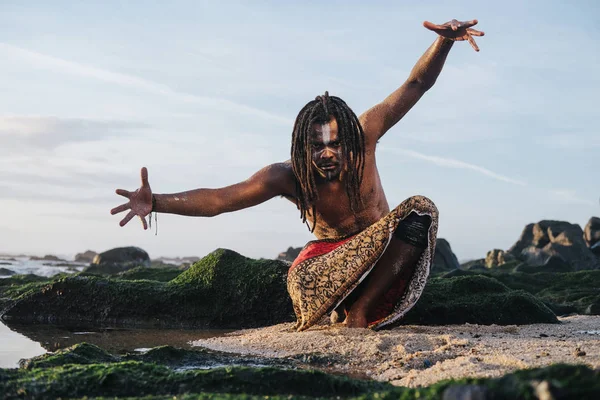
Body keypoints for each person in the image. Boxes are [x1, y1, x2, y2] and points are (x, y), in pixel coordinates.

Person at [111, 19, 484, 330]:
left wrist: (443, 43)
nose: (327, 153)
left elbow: (415, 85)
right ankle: (342, 305)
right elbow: (220, 200)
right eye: (316, 146)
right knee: (298, 278)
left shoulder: (367, 134)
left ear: (350, 139)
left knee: (422, 210)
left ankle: (360, 313)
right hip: (331, 263)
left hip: (380, 260)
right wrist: (158, 202)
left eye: (336, 144)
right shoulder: (286, 177)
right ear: (301, 147)